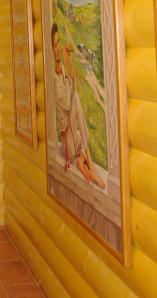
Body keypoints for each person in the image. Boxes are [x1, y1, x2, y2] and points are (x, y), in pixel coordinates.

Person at [51, 22, 105, 188]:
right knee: (74, 98)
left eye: (58, 43)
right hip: (67, 143)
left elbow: (73, 87)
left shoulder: (62, 70)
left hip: (74, 137)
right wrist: (66, 67)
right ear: (51, 49)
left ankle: (82, 161)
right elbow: (68, 104)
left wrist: (69, 62)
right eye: (55, 45)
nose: (58, 48)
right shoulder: (54, 79)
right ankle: (90, 165)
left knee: (82, 134)